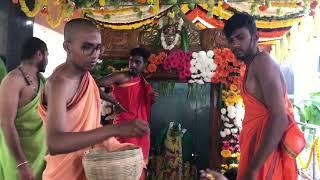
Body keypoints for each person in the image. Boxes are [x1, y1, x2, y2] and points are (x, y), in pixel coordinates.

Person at [37, 18, 149, 180]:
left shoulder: (87, 78)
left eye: (98, 48)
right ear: (67, 47)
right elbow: (55, 143)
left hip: (89, 167)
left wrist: (117, 147)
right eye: (87, 47)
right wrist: (114, 129)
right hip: (64, 173)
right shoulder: (59, 83)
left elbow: (92, 127)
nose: (94, 54)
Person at [223, 12, 305, 180]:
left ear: (255, 37)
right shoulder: (252, 65)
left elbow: (279, 118)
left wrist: (253, 168)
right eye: (231, 40)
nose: (235, 44)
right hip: (257, 150)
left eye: (240, 37)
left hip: (265, 159)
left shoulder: (262, 62)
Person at [98, 47, 158, 180]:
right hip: (125, 128)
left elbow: (141, 104)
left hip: (141, 130)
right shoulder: (122, 76)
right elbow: (94, 85)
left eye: (137, 62)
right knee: (124, 168)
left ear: (145, 65)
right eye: (131, 61)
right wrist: (115, 102)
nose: (132, 65)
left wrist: (152, 98)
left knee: (140, 168)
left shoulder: (144, 82)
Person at [0, 37, 48, 180]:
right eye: (47, 55)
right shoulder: (13, 80)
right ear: (39, 54)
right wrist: (21, 164)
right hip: (17, 158)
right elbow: (5, 123)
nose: (47, 59)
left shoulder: (41, 80)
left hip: (40, 153)